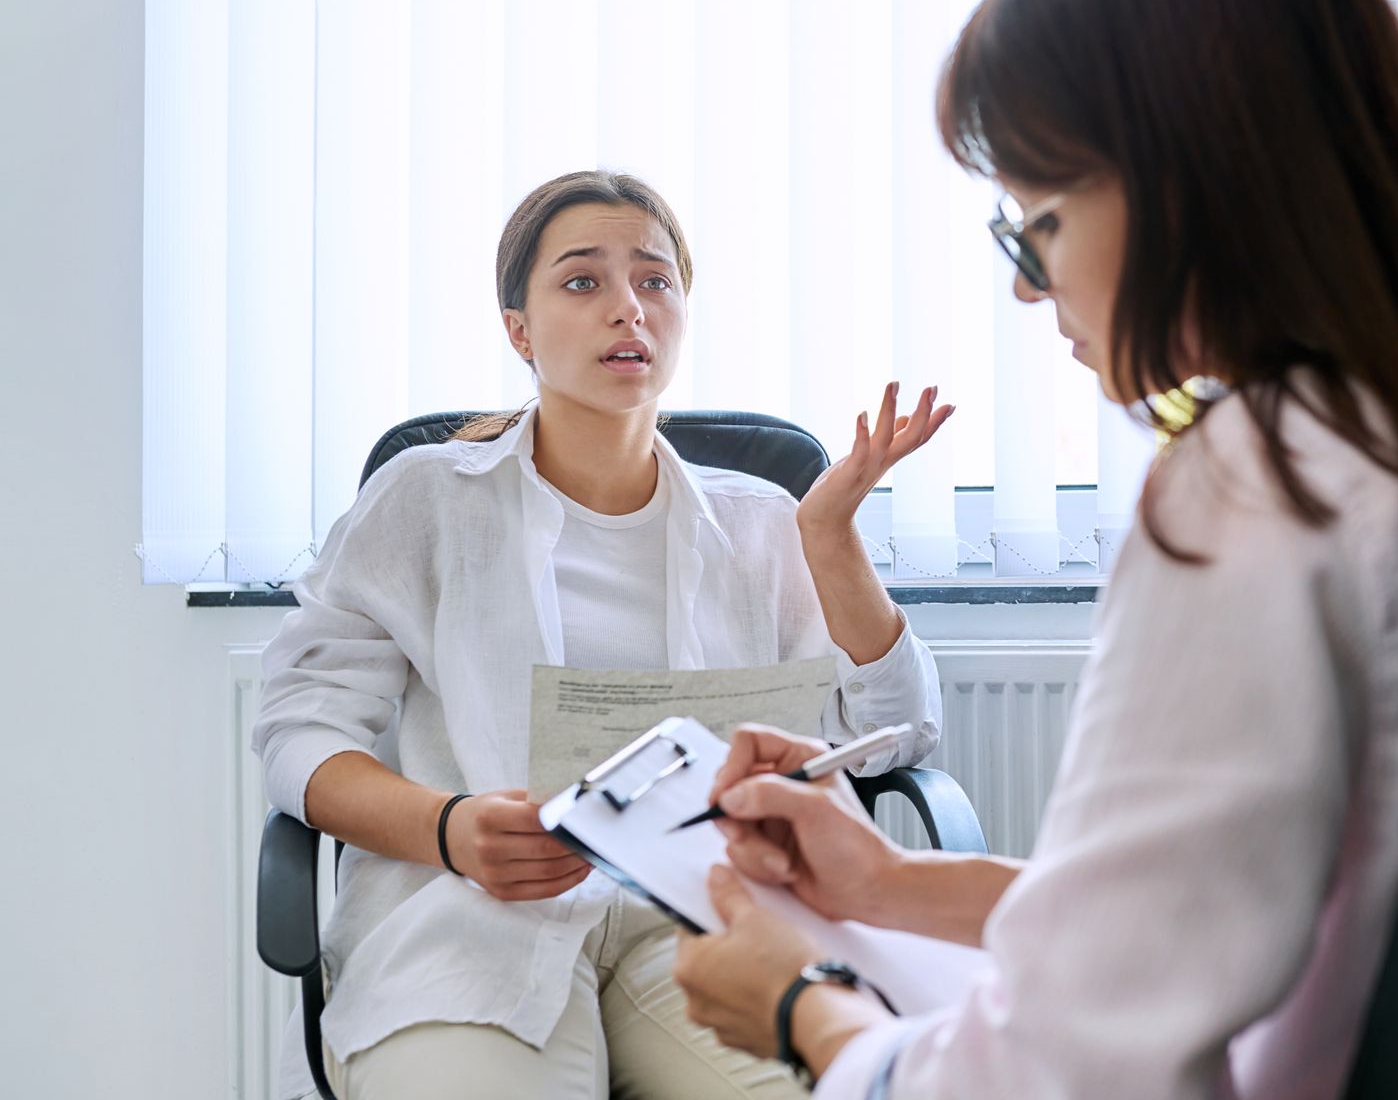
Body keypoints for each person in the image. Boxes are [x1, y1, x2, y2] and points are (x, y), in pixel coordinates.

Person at [671, 0, 1398, 1099]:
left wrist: (805, 1012)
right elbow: (1222, 911)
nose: (1029, 290)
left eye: (1032, 224)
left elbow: (1063, 1073)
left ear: (1195, 178)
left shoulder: (1263, 483)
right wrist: (885, 882)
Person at [252, 169, 952, 1100]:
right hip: (473, 915)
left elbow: (895, 735)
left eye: (655, 281)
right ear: (519, 329)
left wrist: (827, 538)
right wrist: (449, 828)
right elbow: (299, 734)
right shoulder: (428, 499)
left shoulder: (763, 520)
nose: (629, 307)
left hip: (709, 919)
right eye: (583, 282)